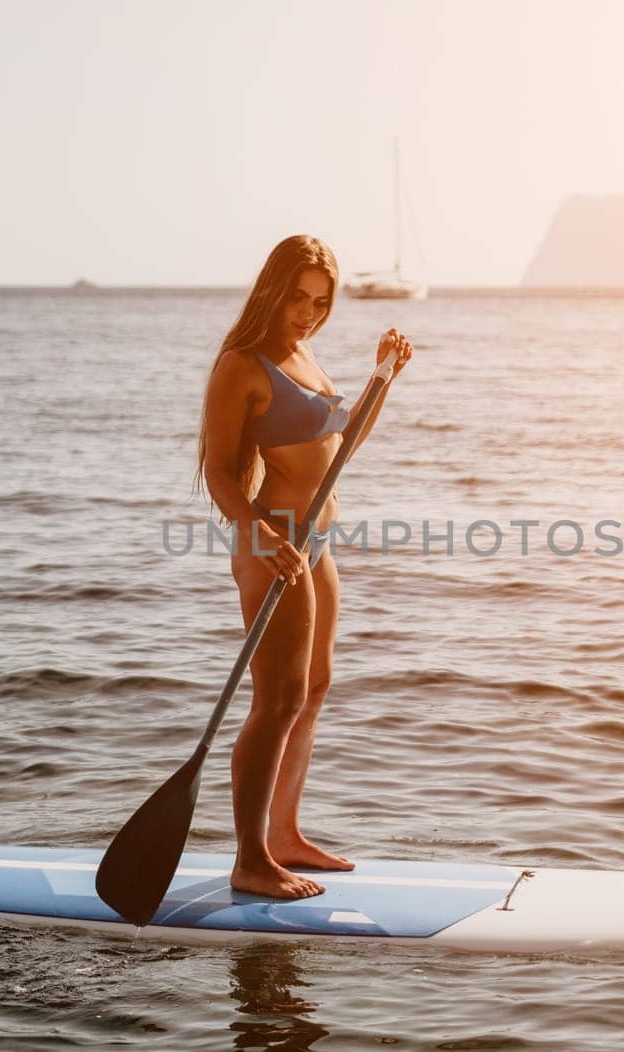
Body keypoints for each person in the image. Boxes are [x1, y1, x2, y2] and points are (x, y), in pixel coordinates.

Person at [195, 235, 413, 900]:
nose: (309, 312)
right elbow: (220, 473)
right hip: (273, 543)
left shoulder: (305, 354)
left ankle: (285, 833)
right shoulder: (242, 363)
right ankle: (250, 858)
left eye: (321, 302)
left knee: (314, 687)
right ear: (272, 289)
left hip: (316, 542)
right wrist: (261, 532)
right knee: (277, 698)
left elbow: (339, 445)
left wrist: (382, 378)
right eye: (298, 297)